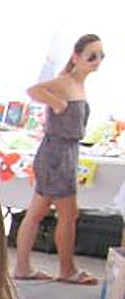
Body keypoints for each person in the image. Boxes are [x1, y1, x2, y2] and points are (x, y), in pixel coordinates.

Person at [12, 34, 104, 285]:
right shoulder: (66, 82)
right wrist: (58, 104)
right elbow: (33, 90)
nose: (97, 62)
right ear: (76, 56)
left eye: (100, 57)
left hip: (63, 153)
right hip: (57, 155)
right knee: (65, 213)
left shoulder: (76, 83)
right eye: (92, 56)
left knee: (39, 212)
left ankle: (25, 267)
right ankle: (65, 269)